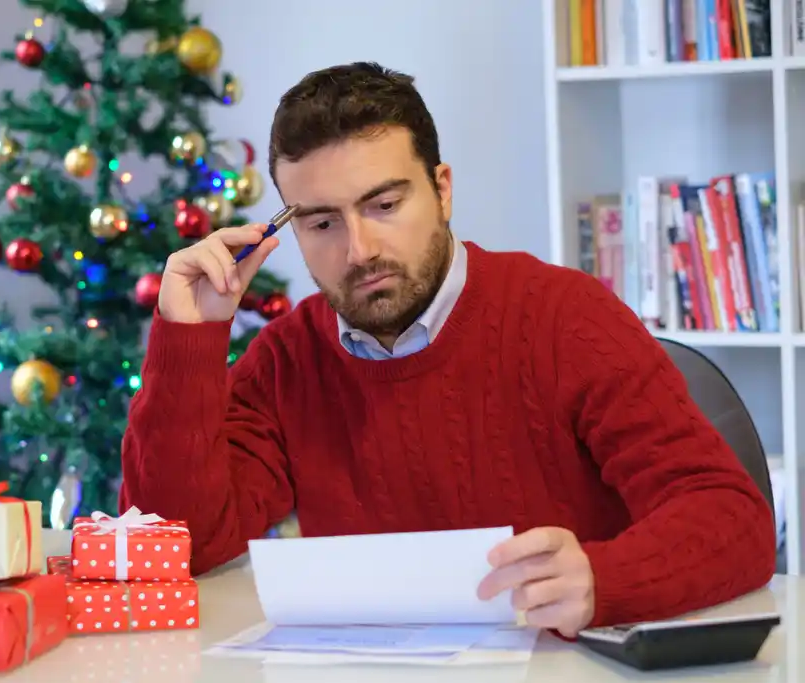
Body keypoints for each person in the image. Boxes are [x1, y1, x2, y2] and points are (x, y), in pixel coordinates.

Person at [120, 62, 775, 637]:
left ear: (442, 190)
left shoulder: (565, 317)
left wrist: (604, 580)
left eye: (383, 203)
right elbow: (178, 546)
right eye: (321, 222)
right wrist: (189, 340)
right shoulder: (288, 359)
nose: (359, 249)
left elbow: (733, 520)